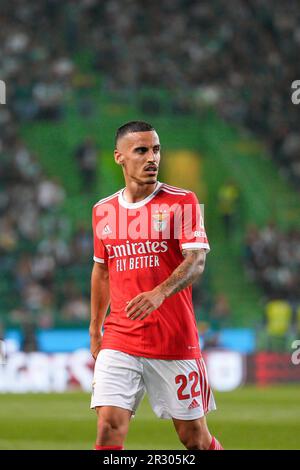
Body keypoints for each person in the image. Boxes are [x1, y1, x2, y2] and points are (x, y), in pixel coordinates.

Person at [89, 121, 223, 451]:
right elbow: (102, 271)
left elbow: (196, 261)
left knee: (194, 439)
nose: (152, 158)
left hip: (173, 339)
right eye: (142, 150)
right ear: (119, 157)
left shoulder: (183, 201)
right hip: (120, 336)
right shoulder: (103, 211)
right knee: (109, 427)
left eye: (156, 149)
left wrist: (159, 292)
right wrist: (95, 330)